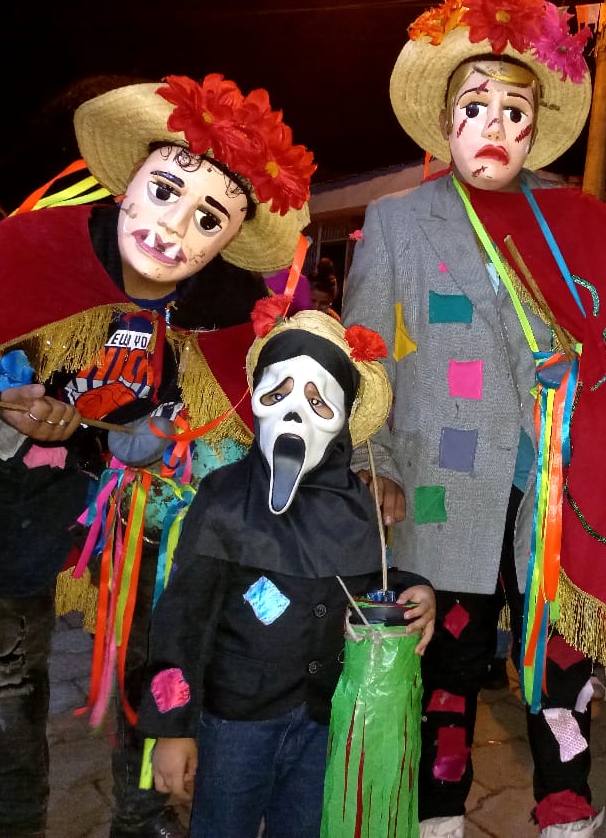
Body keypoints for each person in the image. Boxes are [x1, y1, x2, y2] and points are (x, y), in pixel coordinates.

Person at [0, 73, 315, 838]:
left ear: (227, 239)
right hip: (15, 499)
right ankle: (13, 823)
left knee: (153, 663)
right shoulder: (24, 253)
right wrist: (7, 407)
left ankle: (144, 818)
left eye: (208, 218)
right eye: (164, 192)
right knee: (13, 675)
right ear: (128, 183)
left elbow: (258, 400)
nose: (173, 229)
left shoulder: (225, 306)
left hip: (144, 512)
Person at [340, 0, 606, 836]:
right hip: (443, 485)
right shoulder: (399, 219)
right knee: (448, 660)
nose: (497, 126)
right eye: (477, 105)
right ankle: (439, 810)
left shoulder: (573, 223)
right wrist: (376, 464)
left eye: (516, 111)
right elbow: (363, 360)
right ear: (447, 119)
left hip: (557, 488)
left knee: (560, 665)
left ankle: (565, 804)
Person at [137, 306, 435, 838]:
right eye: (279, 394)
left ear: (343, 419)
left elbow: (366, 585)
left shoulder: (356, 505)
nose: (295, 414)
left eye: (318, 400)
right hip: (236, 725)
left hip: (323, 721)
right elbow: (180, 622)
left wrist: (414, 588)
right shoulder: (225, 499)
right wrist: (173, 730)